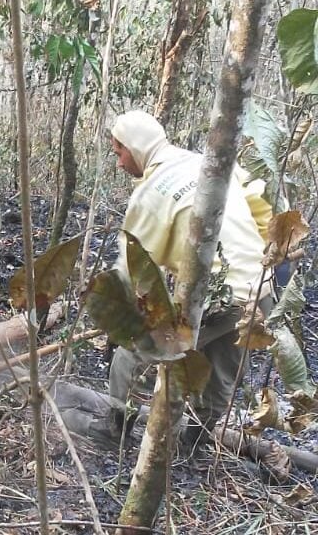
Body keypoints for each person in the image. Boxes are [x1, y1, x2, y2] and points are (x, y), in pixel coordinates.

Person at [105, 110, 272, 446]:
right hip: (260, 290)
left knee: (130, 356)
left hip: (215, 296)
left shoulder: (151, 193)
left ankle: (114, 434)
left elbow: (130, 266)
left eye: (119, 152)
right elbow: (260, 201)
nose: (119, 164)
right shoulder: (207, 163)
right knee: (220, 374)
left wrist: (113, 318)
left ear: (135, 147)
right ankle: (191, 447)